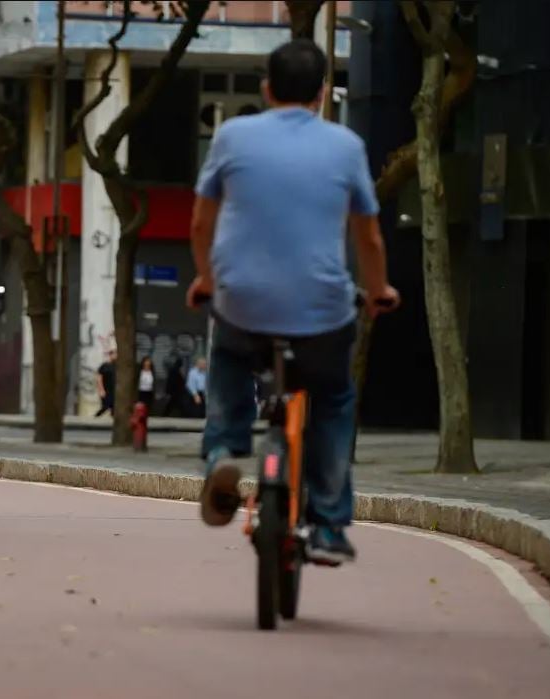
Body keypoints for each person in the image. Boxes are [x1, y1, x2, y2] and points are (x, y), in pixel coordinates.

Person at [187, 39, 400, 565]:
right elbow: (369, 238)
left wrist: (207, 279)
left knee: (230, 357)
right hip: (322, 311)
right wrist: (379, 291)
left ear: (266, 89)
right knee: (333, 399)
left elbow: (200, 224)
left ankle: (224, 449)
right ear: (322, 94)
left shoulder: (232, 136)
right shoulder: (346, 146)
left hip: (243, 302)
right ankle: (328, 524)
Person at [95, 349, 117, 417]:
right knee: (105, 406)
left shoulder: (117, 367)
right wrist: (101, 390)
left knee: (114, 408)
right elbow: (99, 378)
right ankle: (96, 417)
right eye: (114, 354)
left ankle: (113, 420)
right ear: (110, 355)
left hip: (115, 391)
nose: (116, 356)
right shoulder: (105, 366)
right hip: (106, 390)